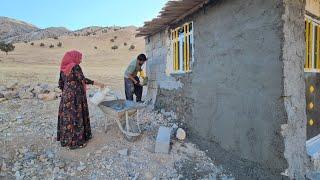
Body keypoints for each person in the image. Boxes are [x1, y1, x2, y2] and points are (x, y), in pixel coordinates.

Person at [57, 50, 105, 150]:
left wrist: (67, 91)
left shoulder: (63, 68)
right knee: (76, 118)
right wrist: (97, 83)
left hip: (66, 97)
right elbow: (82, 79)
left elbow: (60, 83)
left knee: (68, 118)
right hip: (76, 97)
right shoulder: (75, 66)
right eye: (79, 58)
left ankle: (66, 140)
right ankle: (77, 143)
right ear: (74, 57)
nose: (81, 60)